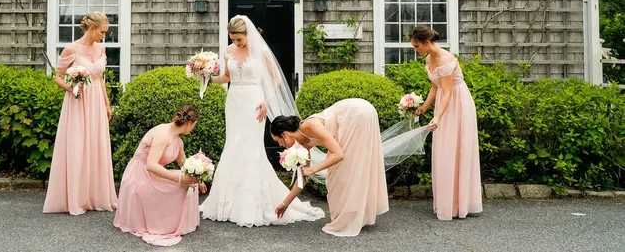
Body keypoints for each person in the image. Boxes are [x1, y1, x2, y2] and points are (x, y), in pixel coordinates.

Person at [200, 15, 324, 227]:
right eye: (233, 39)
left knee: (251, 148)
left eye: (239, 39)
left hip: (255, 102)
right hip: (234, 102)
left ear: (247, 34)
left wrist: (267, 101)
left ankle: (252, 204)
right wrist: (206, 76)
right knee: (233, 146)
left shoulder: (261, 51)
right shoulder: (228, 51)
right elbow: (227, 77)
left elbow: (276, 78)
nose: (236, 43)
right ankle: (227, 203)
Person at [270, 98, 388, 236]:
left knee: (339, 172)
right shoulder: (303, 146)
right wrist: (285, 204)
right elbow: (302, 180)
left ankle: (349, 220)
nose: (280, 146)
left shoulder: (312, 125)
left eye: (277, 141)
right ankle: (355, 216)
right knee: (347, 170)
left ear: (284, 134)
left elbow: (338, 154)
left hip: (356, 112)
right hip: (361, 113)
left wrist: (313, 169)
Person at [43, 12, 117, 215]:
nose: (104, 36)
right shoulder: (71, 49)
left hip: (97, 104)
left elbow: (100, 79)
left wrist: (107, 104)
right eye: (102, 32)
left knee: (96, 145)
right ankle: (76, 198)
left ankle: (96, 196)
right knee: (78, 146)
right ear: (92, 29)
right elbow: (57, 77)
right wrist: (71, 88)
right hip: (77, 103)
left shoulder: (101, 48)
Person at [410, 25, 483, 220]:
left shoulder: (445, 59)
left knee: (456, 149)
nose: (415, 49)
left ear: (426, 43)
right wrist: (424, 108)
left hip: (457, 105)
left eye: (416, 46)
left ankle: (459, 204)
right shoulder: (428, 58)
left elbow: (449, 91)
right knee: (444, 151)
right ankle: (446, 201)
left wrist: (439, 117)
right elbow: (436, 86)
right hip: (444, 103)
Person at [114, 104, 204, 247]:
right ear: (189, 123)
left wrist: (197, 178)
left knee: (190, 184)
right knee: (181, 183)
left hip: (153, 173)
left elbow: (183, 164)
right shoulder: (163, 134)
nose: (193, 127)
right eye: (194, 124)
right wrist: (180, 178)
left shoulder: (178, 140)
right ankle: (165, 225)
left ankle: (179, 223)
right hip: (139, 175)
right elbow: (151, 165)